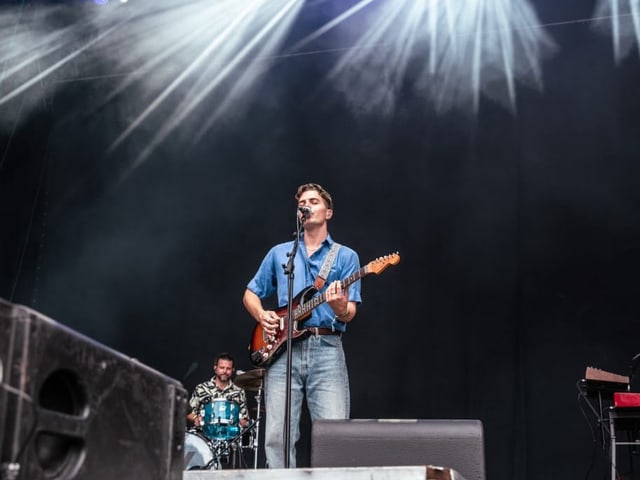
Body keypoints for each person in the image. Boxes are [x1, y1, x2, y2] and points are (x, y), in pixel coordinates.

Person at [242, 182, 362, 468]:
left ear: (328, 212)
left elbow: (350, 313)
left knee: (334, 432)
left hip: (326, 348)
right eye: (301, 204)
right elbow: (250, 293)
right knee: (277, 436)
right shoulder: (281, 253)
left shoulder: (346, 257)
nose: (305, 206)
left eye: (313, 201)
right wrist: (262, 315)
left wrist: (339, 306)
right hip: (283, 352)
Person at [187, 353, 250, 430]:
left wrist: (241, 422)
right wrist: (196, 419)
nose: (225, 371)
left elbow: (244, 419)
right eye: (222, 367)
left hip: (230, 437)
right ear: (215, 368)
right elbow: (188, 412)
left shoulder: (239, 391)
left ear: (233, 370)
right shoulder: (202, 388)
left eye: (228, 368)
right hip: (204, 436)